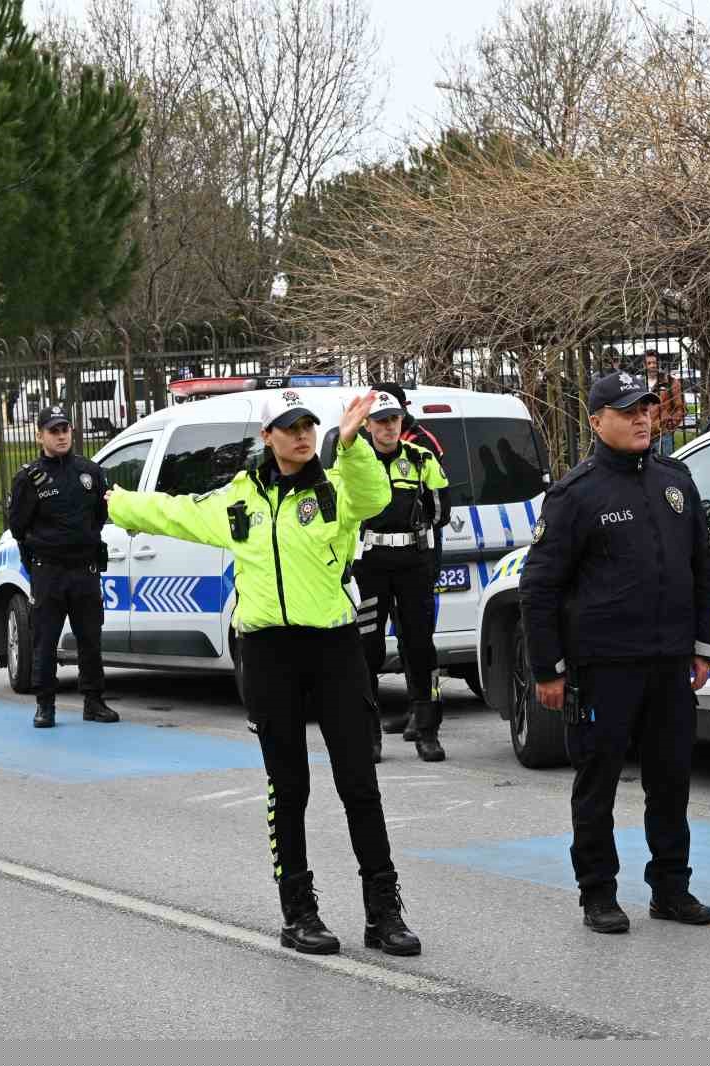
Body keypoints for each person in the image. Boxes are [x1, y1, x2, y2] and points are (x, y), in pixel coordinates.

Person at [106, 389, 422, 958]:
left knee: (358, 782)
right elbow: (175, 513)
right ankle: (299, 913)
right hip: (268, 654)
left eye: (308, 425)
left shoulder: (336, 489)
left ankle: (384, 912)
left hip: (333, 649)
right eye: (288, 426)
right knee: (289, 786)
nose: (301, 434)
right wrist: (110, 501)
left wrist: (349, 446)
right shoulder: (239, 499)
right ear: (266, 437)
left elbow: (374, 498)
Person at [519, 371, 710, 935]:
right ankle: (598, 893)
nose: (641, 419)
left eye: (648, 410)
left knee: (671, 779)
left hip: (669, 662)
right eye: (628, 410)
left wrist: (704, 646)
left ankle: (671, 888)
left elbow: (702, 568)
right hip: (604, 664)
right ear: (596, 421)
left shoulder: (674, 480)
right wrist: (547, 667)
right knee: (599, 780)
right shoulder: (576, 494)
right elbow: (540, 588)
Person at [353, 391, 452, 762]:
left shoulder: (420, 458)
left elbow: (440, 509)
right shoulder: (356, 461)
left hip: (412, 561)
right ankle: (368, 735)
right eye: (380, 421)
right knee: (367, 649)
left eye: (393, 420)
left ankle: (427, 730)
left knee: (419, 645)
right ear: (367, 426)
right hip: (370, 563)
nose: (388, 427)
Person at [7, 405, 117, 730]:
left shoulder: (90, 472)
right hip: (49, 571)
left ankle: (94, 701)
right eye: (53, 430)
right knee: (45, 639)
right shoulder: (29, 477)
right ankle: (46, 705)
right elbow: (18, 527)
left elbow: (99, 516)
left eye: (65, 428)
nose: (61, 435)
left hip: (84, 569)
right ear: (40, 435)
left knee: (90, 638)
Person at [372, 381, 446, 460]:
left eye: (392, 416)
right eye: (380, 419)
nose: (390, 426)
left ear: (402, 412)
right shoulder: (366, 443)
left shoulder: (421, 443)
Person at [642, 351, 685, 456]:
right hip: (643, 435)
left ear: (659, 364)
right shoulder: (640, 385)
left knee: (665, 467)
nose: (652, 366)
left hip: (663, 436)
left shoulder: (670, 382)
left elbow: (680, 408)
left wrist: (669, 427)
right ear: (644, 365)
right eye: (649, 363)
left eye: (655, 363)